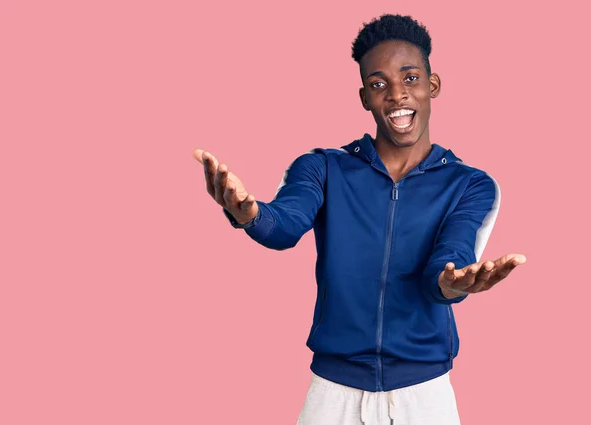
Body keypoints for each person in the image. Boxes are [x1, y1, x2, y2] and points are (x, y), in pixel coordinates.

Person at [193, 14, 526, 425]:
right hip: (333, 393)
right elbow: (284, 224)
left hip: (424, 396)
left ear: (432, 85)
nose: (397, 95)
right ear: (365, 97)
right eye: (379, 84)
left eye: (410, 78)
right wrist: (249, 213)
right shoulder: (322, 167)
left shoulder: (470, 184)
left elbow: (450, 259)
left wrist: (451, 283)